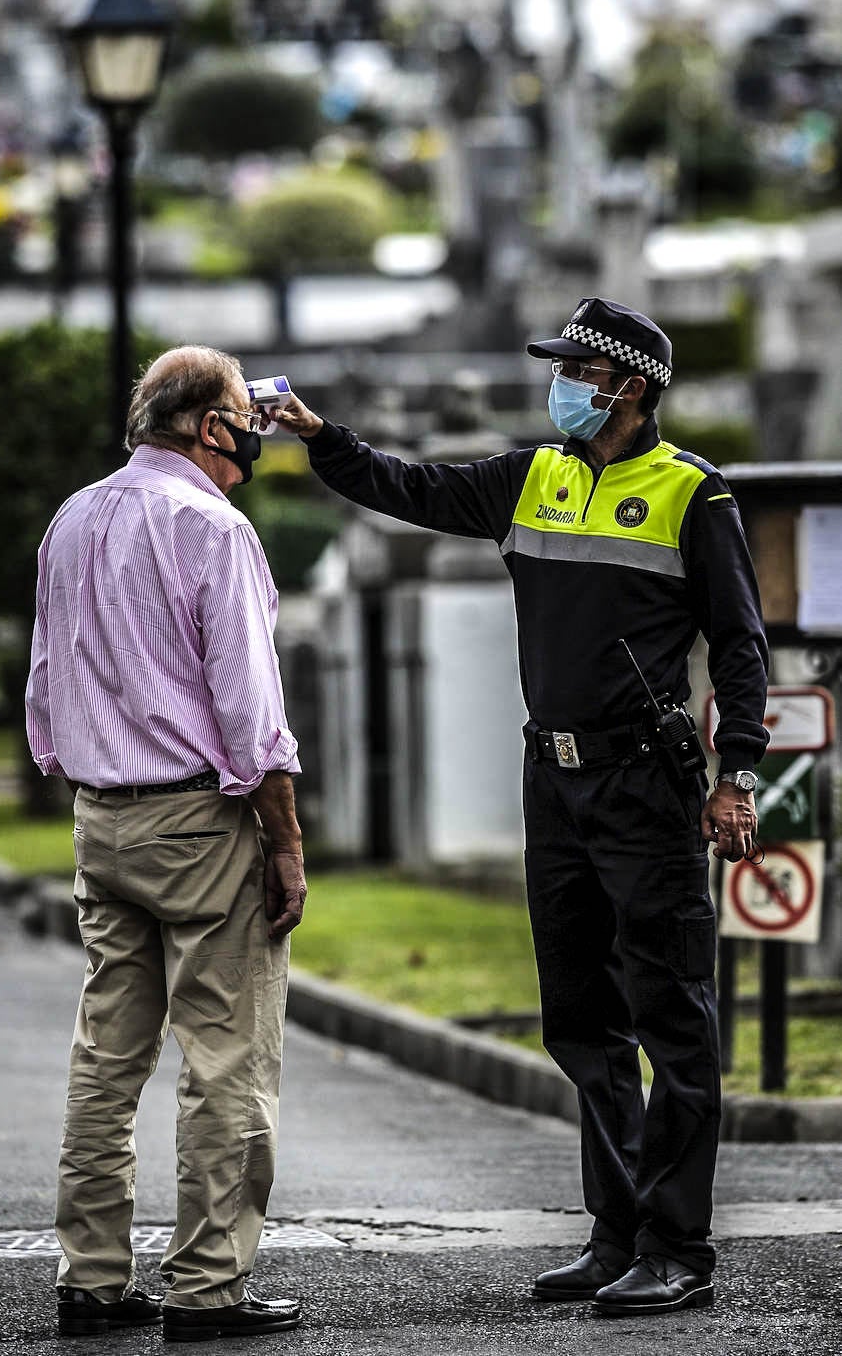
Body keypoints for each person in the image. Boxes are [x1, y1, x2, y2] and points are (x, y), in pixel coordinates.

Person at [272, 298, 768, 1318]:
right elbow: (406, 487)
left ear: (629, 387)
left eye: (578, 370)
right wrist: (322, 438)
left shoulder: (690, 494)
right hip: (555, 778)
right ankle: (616, 1230)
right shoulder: (527, 477)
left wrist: (738, 774)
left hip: (645, 782)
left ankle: (675, 1247)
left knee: (669, 1014)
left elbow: (739, 643)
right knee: (580, 1017)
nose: (563, 385)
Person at [26, 345, 306, 1343]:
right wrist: (283, 841)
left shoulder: (76, 515)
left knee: (107, 1057)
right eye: (240, 412)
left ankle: (92, 1279)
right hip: (199, 819)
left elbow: (44, 680)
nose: (252, 430)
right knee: (226, 1060)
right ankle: (206, 1287)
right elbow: (248, 707)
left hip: (102, 815)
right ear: (202, 425)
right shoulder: (210, 526)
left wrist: (80, 766)